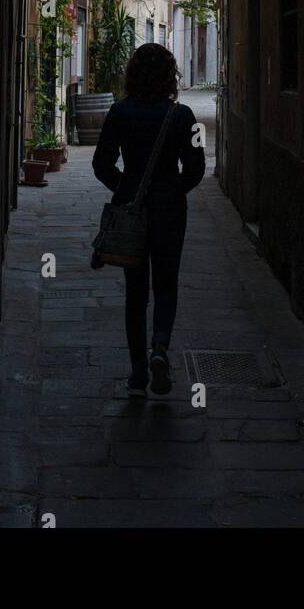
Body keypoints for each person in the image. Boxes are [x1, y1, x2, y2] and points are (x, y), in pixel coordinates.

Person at [92, 44, 205, 396]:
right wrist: (173, 190)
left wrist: (126, 189)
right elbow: (197, 169)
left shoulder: (119, 112)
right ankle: (160, 348)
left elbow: (101, 164)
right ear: (170, 75)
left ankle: (138, 373)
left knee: (135, 293)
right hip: (170, 211)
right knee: (166, 284)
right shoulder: (184, 116)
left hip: (133, 212)